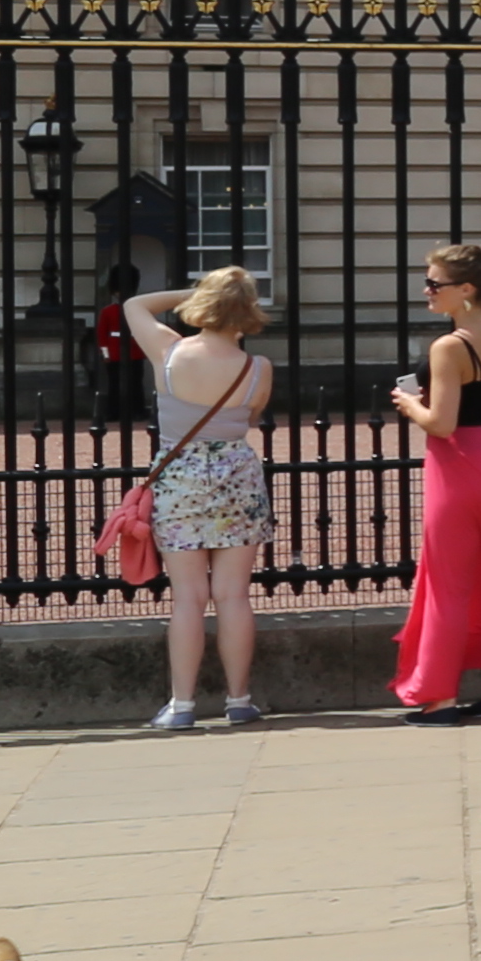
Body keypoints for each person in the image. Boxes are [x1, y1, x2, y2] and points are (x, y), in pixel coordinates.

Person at [119, 269, 275, 733]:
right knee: (233, 596)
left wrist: (197, 293)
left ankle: (182, 704)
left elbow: (135, 305)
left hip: (179, 477)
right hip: (237, 478)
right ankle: (239, 699)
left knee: (187, 598)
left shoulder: (167, 351)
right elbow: (254, 413)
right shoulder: (257, 368)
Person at [388, 242, 481, 723]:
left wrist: (409, 405)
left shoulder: (448, 345)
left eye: (434, 284)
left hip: (458, 465)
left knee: (448, 582)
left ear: (465, 290)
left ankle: (440, 695)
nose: (426, 291)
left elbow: (441, 423)